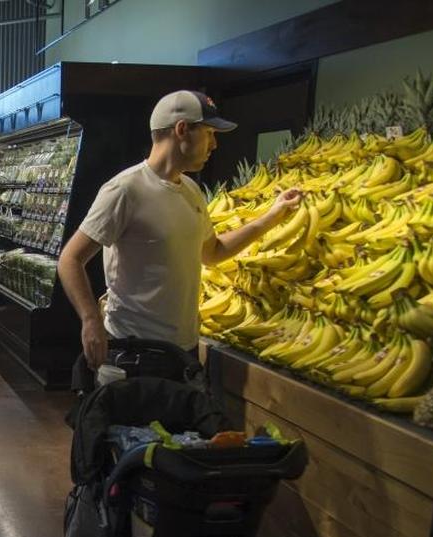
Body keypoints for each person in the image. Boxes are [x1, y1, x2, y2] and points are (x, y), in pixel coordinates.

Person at [58, 90, 303, 370]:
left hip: (183, 351)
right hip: (133, 351)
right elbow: (70, 259)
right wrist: (90, 320)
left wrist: (271, 217)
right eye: (210, 134)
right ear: (182, 130)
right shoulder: (125, 190)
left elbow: (212, 252)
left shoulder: (192, 191)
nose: (214, 145)